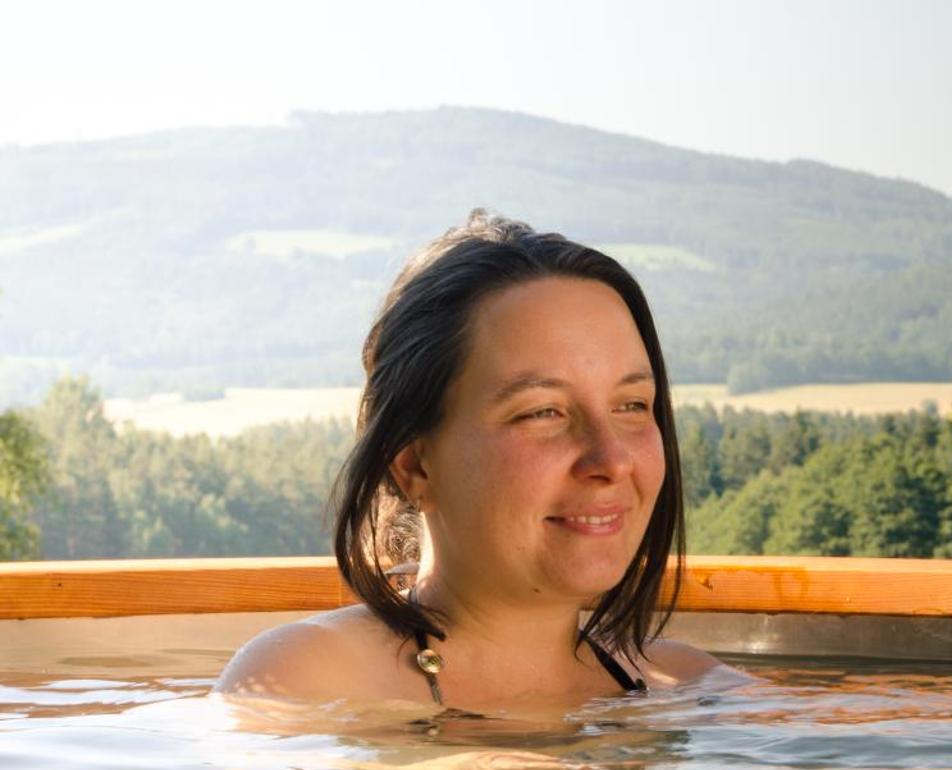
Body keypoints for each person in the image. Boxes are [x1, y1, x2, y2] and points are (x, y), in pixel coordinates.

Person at [218, 212, 722, 714]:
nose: (611, 459)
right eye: (542, 412)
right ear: (414, 464)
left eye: (632, 405)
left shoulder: (685, 685)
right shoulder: (303, 682)